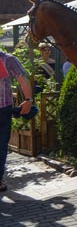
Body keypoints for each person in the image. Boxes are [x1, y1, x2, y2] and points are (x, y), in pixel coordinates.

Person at [1, 49, 35, 192]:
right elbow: (22, 79)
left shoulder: (8, 59)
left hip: (4, 108)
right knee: (1, 144)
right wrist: (28, 100)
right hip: (3, 108)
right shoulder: (8, 59)